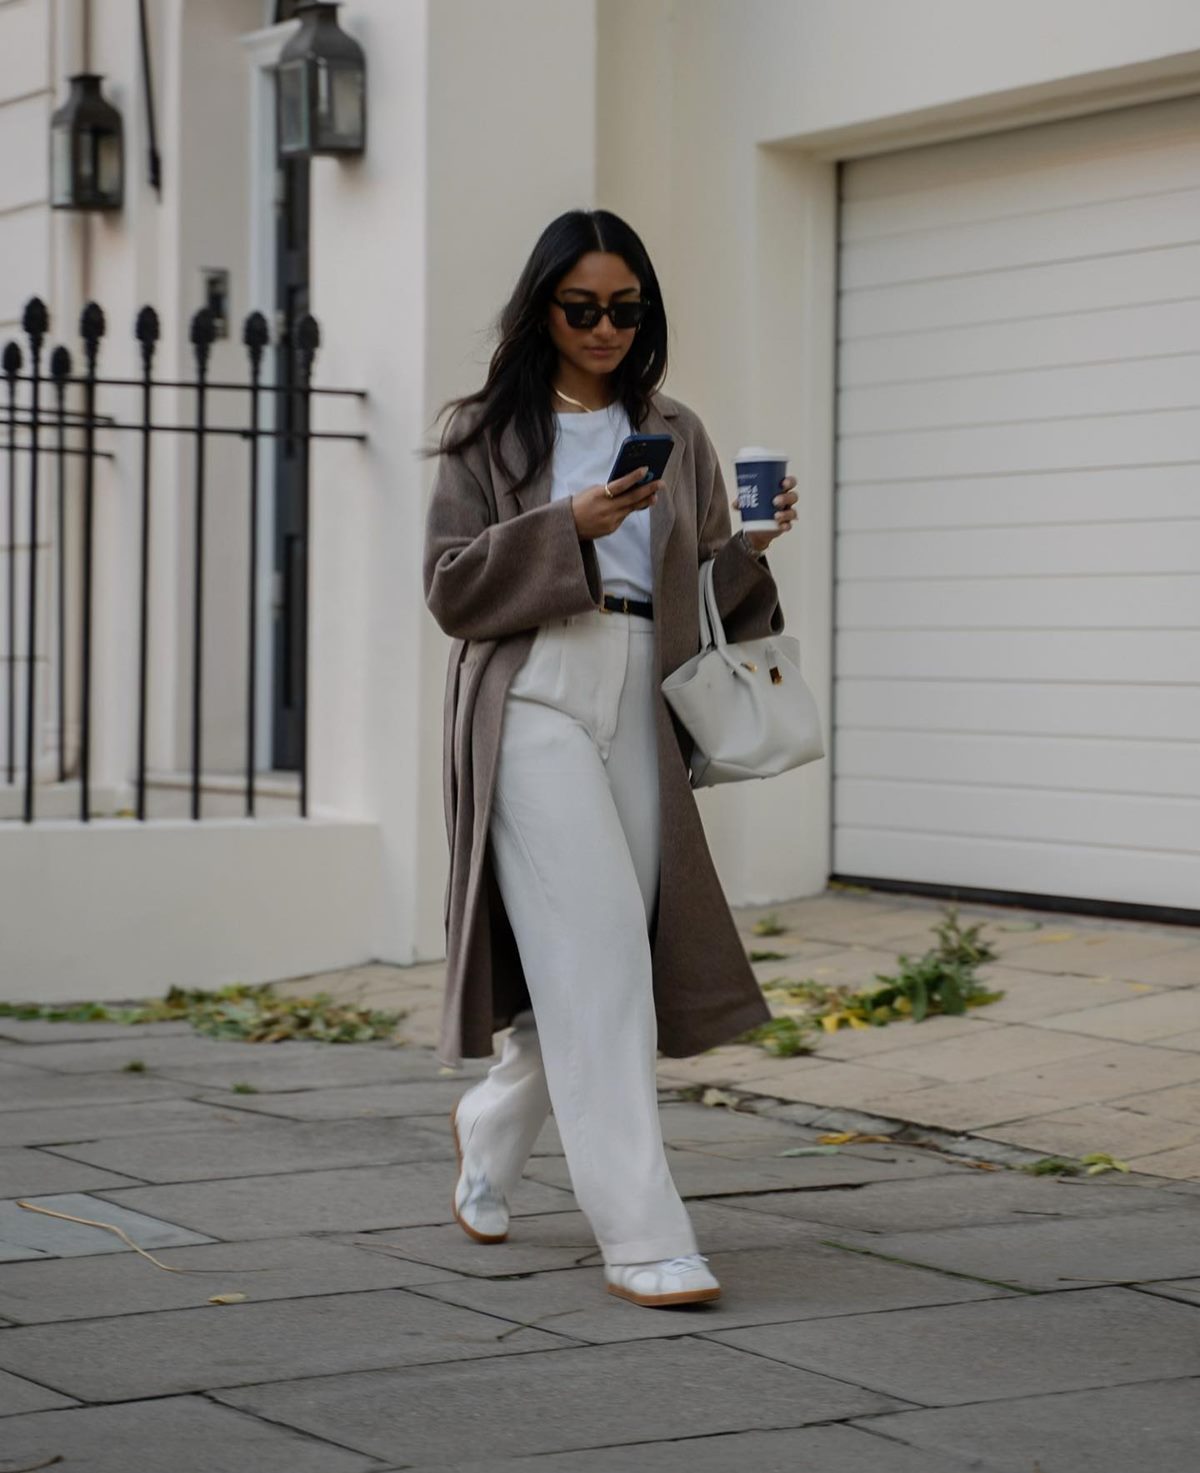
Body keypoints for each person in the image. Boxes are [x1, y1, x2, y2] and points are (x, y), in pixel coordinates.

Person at [422, 209, 798, 1307]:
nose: (605, 328)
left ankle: (490, 1129)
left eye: (626, 309)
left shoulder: (676, 428)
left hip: (646, 685)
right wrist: (568, 526)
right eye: (582, 307)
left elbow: (704, 598)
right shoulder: (485, 434)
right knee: (597, 966)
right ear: (543, 308)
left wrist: (750, 551)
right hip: (535, 686)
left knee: (606, 961)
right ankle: (642, 1235)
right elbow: (451, 588)